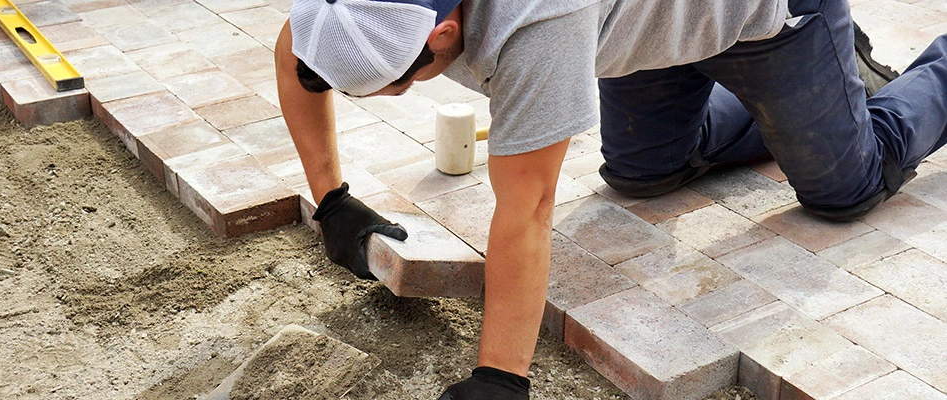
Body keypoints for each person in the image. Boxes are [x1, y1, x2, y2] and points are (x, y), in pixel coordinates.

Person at [274, 0, 947, 398]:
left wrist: (499, 380)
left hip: (769, 19)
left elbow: (528, 211)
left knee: (843, 187)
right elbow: (298, 52)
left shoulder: (537, 24)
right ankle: (822, 98)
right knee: (644, 174)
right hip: (654, 32)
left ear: (442, 34)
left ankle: (865, 80)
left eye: (392, 83)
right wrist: (332, 200)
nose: (389, 95)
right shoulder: (366, 6)